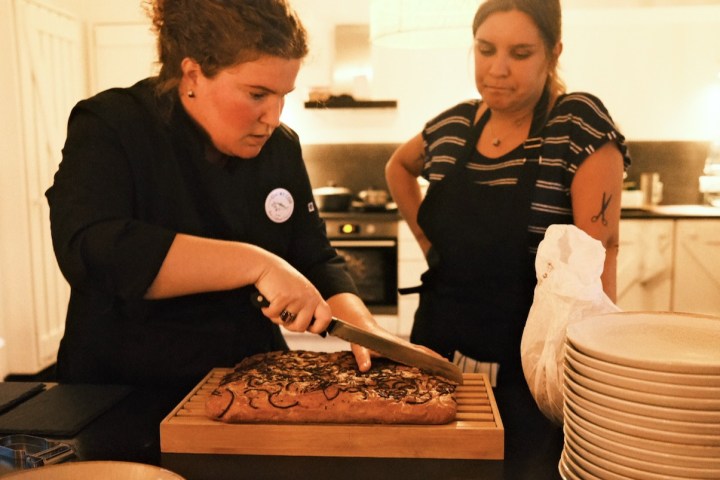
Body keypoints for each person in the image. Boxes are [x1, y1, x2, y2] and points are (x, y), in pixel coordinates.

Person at [45, 0, 416, 393]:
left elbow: (314, 256)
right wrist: (257, 264)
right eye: (257, 94)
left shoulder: (281, 148)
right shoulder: (113, 124)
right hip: (123, 389)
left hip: (247, 378)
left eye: (283, 96)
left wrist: (365, 328)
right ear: (192, 75)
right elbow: (95, 251)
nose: (273, 118)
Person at [386, 0, 630, 388]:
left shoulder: (575, 125)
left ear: (553, 53)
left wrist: (594, 368)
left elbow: (597, 257)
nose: (497, 68)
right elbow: (398, 166)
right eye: (485, 50)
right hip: (437, 343)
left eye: (520, 53)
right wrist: (426, 242)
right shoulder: (455, 125)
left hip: (533, 362)